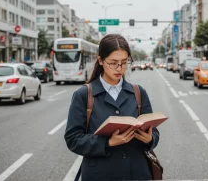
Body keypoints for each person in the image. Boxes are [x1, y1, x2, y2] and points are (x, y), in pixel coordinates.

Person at [64, 34, 160, 181]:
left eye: (124, 62)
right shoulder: (83, 95)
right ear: (101, 60)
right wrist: (107, 143)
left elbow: (154, 132)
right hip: (99, 174)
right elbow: (73, 139)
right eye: (113, 63)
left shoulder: (139, 92)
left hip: (137, 173)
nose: (120, 68)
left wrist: (149, 139)